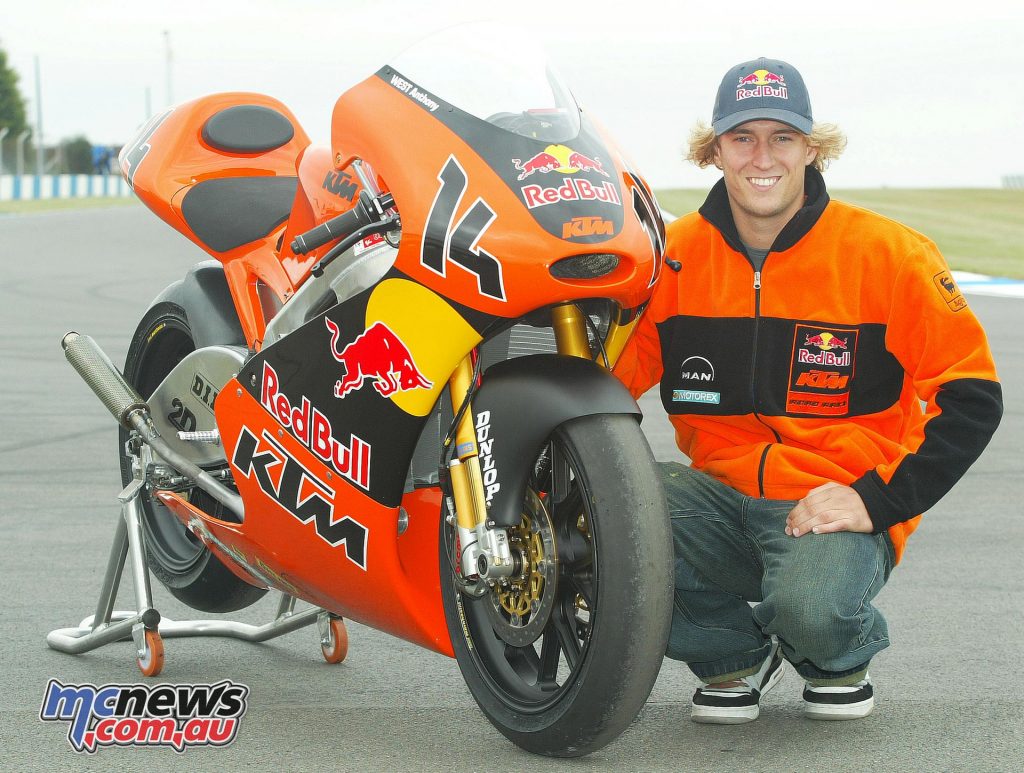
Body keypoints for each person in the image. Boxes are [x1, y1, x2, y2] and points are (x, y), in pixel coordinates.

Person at [614, 57, 1003, 724]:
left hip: (834, 499)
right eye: (742, 138)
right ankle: (733, 655)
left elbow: (972, 398)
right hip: (719, 503)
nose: (761, 157)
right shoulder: (673, 258)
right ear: (714, 152)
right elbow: (604, 382)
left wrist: (876, 498)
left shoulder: (889, 254)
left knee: (812, 610)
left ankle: (836, 652)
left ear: (811, 148)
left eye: (782, 137)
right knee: (603, 522)